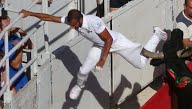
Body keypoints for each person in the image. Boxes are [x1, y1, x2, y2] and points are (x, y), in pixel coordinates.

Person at [20, 9, 167, 100]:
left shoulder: (94, 22)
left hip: (116, 42)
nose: (72, 27)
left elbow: (108, 39)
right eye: (70, 24)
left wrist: (103, 60)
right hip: (99, 45)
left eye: (73, 25)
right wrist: (30, 13)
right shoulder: (72, 20)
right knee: (83, 70)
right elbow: (51, 18)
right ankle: (79, 86)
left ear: (79, 20)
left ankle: (157, 35)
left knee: (140, 64)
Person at [0, 15, 32, 94]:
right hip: (12, 85)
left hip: (22, 80)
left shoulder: (12, 37)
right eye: (7, 26)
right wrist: (19, 47)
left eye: (10, 25)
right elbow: (15, 64)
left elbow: (30, 46)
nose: (10, 28)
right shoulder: (1, 44)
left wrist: (21, 31)